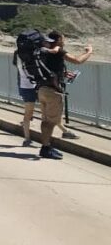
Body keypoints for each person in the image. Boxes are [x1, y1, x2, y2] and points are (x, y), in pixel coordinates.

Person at [36, 30, 93, 160]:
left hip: (42, 90)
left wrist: (63, 74)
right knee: (51, 122)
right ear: (59, 40)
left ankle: (46, 146)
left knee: (45, 121)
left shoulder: (44, 51)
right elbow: (78, 60)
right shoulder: (59, 51)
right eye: (63, 38)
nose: (64, 40)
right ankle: (45, 148)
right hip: (53, 91)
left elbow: (50, 68)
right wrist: (88, 52)